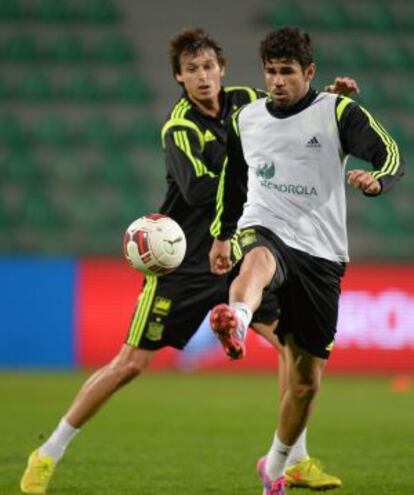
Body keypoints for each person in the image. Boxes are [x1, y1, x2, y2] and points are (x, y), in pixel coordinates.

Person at [20, 28, 358, 494]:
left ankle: (293, 459)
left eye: (208, 67)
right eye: (192, 69)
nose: (203, 76)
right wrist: (255, 156)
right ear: (179, 77)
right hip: (185, 265)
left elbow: (292, 111)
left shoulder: (246, 99)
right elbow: (201, 191)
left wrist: (327, 105)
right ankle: (48, 452)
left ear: (221, 69)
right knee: (129, 364)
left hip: (240, 254)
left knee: (293, 353)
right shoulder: (179, 127)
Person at [209, 27, 404, 495]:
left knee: (306, 381)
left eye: (287, 72)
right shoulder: (247, 118)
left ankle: (275, 467)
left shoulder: (337, 111)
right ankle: (236, 319)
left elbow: (390, 154)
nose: (277, 81)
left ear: (309, 72)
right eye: (270, 72)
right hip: (266, 227)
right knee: (257, 258)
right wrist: (221, 235)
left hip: (321, 252)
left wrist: (378, 180)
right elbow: (233, 180)